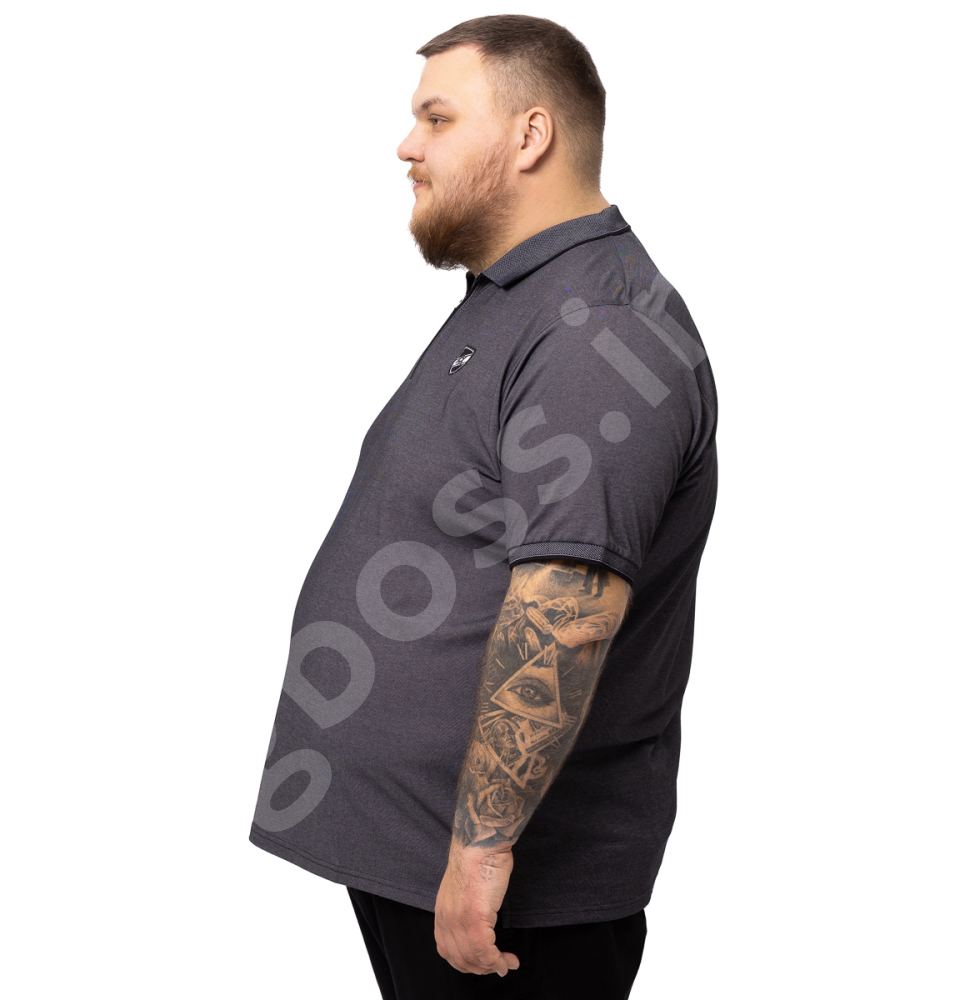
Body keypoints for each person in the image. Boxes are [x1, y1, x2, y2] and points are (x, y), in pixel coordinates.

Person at [249, 14, 718, 999]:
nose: (406, 146)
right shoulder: (518, 298)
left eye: (437, 118)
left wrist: (481, 850)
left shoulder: (601, 332)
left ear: (530, 134)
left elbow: (567, 602)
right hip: (424, 857)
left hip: (509, 897)